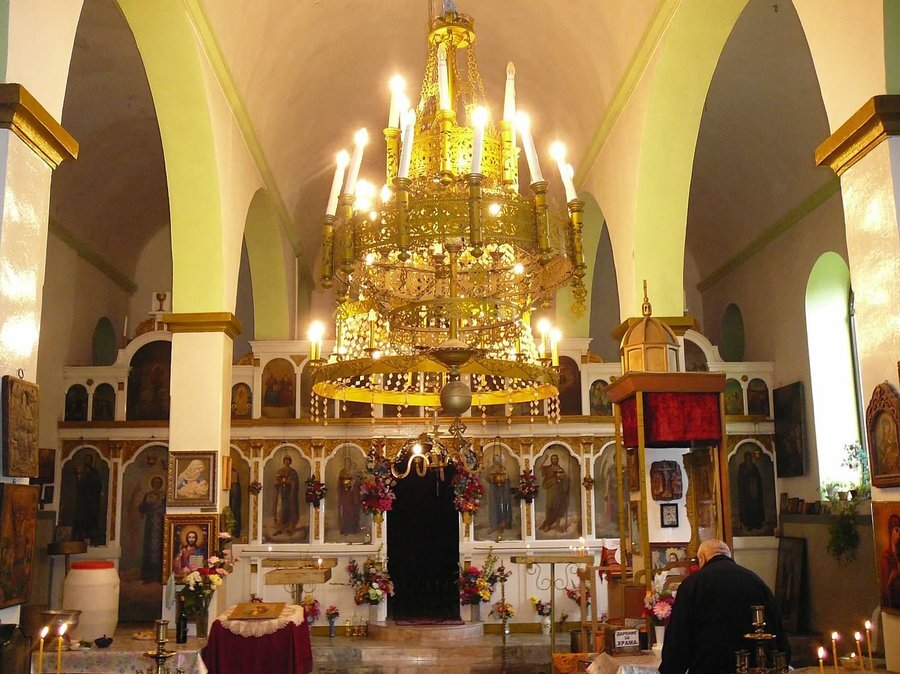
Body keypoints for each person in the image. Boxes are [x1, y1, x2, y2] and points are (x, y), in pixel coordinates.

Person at [659, 539, 790, 673]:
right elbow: (776, 628)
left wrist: (670, 669)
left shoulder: (692, 584)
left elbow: (679, 636)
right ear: (728, 556)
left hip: (708, 667)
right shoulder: (756, 581)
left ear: (702, 558)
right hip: (752, 666)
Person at [138, 475, 166, 582]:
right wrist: (148, 507)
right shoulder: (148, 495)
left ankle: (159, 575)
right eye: (155, 483)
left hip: (161, 524)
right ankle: (148, 575)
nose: (156, 485)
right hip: (151, 524)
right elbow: (142, 508)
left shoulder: (164, 495)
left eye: (158, 483)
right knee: (149, 548)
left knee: (161, 547)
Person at [73, 452, 103, 544]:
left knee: (91, 518)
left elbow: (98, 485)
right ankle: (80, 536)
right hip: (83, 499)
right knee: (81, 518)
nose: (87, 461)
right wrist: (79, 477)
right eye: (85, 459)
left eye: (88, 459)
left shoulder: (94, 472)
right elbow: (79, 486)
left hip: (92, 498)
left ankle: (91, 537)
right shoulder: (81, 470)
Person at [539, 453, 570, 532]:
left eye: (556, 458)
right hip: (551, 490)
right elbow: (540, 468)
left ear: (558, 459)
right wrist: (545, 459)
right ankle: (547, 525)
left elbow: (564, 479)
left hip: (559, 490)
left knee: (559, 507)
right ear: (551, 460)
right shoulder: (548, 468)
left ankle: (557, 526)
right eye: (553, 459)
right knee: (550, 507)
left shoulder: (560, 469)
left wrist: (564, 478)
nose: (554, 460)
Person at [273, 455, 300, 536]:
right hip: (281, 493)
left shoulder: (293, 472)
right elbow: (276, 482)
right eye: (285, 460)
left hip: (290, 494)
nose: (287, 462)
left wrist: (289, 482)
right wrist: (279, 481)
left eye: (288, 460)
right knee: (280, 509)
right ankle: (279, 528)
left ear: (290, 462)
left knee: (290, 509)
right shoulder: (280, 471)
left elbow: (295, 483)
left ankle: (290, 528)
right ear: (284, 461)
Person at [737, 452, 765, 531]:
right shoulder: (742, 467)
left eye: (750, 458)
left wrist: (754, 479)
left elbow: (758, 478)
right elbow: (740, 479)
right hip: (746, 492)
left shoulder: (754, 467)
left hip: (754, 491)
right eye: (747, 458)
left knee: (755, 507)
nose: (748, 459)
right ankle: (749, 524)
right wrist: (745, 478)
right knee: (748, 507)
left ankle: (757, 523)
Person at [487, 453, 513, 533]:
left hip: (503, 489)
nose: (497, 460)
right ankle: (494, 525)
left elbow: (507, 478)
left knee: (503, 505)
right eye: (495, 459)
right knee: (494, 506)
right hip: (494, 490)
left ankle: (503, 523)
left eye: (498, 459)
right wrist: (493, 476)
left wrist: (502, 475)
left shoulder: (503, 469)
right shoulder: (491, 469)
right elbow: (488, 477)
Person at [337, 455, 361, 535]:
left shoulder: (354, 472)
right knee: (345, 512)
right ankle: (344, 528)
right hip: (345, 495)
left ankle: (353, 528)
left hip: (353, 495)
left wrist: (353, 483)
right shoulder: (342, 472)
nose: (347, 464)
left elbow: (358, 482)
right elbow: (339, 484)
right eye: (345, 463)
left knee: (353, 511)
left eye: (348, 463)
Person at [881, 514, 900, 608]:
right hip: (894, 602)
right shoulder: (886, 557)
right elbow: (885, 587)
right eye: (896, 530)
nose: (899, 534)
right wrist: (893, 575)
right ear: (891, 531)